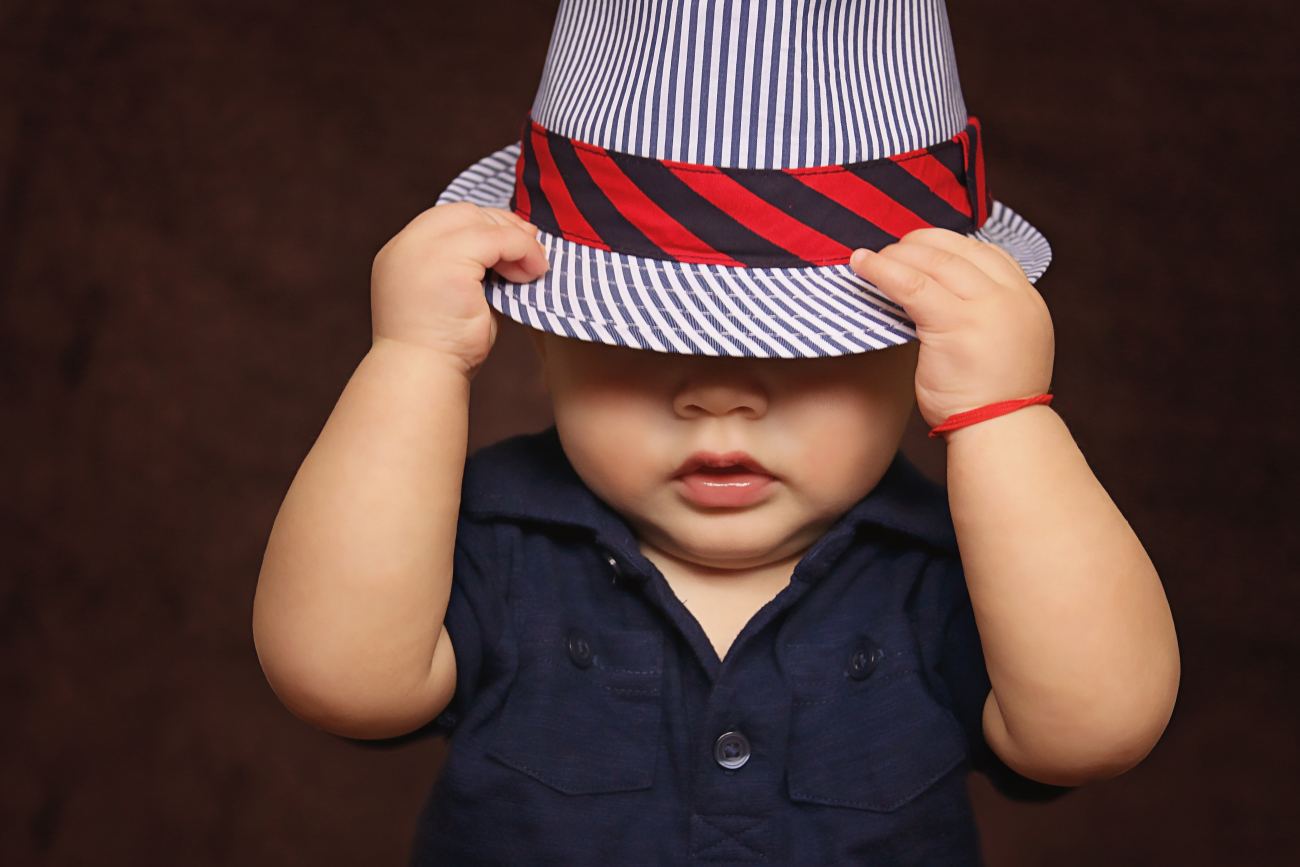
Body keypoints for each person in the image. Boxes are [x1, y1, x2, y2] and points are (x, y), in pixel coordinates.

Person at [252, 1, 1180, 864]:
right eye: (643, 339)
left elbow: (1096, 729)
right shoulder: (497, 546)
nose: (720, 395)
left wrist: (1006, 417)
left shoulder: (960, 570)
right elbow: (339, 677)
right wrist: (411, 362)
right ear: (545, 343)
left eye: (811, 352)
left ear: (917, 361)